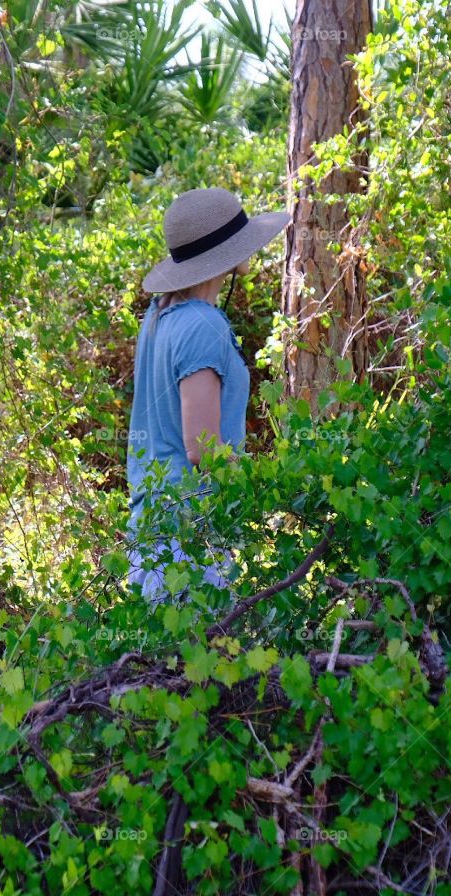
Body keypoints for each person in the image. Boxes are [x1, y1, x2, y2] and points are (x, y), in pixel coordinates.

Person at [124, 187, 290, 605]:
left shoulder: (160, 313)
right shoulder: (203, 325)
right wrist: (272, 484)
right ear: (227, 253)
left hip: (155, 533)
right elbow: (202, 449)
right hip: (189, 542)